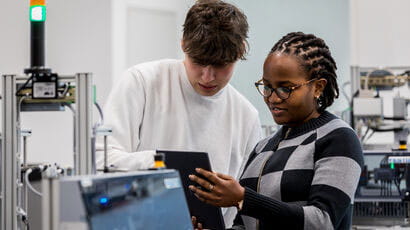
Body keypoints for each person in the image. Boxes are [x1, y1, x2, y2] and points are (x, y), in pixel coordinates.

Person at [96, 0, 262, 226]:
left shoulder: (246, 117)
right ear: (183, 44)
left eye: (220, 65)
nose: (207, 77)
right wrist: (162, 164)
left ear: (240, 51)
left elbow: (245, 204)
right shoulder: (142, 82)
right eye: (199, 63)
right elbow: (101, 159)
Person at [189, 32, 364, 230]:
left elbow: (322, 221)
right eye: (267, 86)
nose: (272, 98)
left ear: (317, 87)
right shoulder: (263, 147)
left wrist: (244, 199)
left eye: (285, 88)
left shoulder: (338, 138)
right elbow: (245, 225)